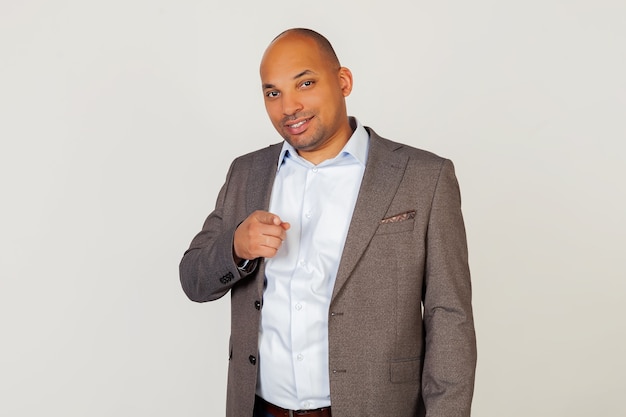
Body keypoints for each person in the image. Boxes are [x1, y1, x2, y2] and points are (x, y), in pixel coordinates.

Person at [180, 28, 477, 417]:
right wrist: (236, 247)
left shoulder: (424, 177)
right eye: (273, 93)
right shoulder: (246, 173)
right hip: (260, 409)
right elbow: (193, 279)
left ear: (343, 81)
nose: (289, 107)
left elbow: (449, 318)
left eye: (305, 83)